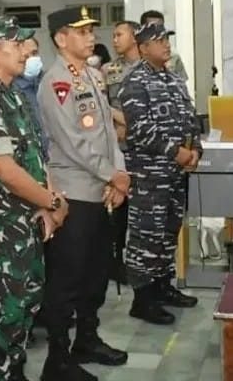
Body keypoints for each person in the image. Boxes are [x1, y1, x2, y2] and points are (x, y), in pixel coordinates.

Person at [0, 16, 69, 381]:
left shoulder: (12, 95)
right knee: (1, 319)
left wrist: (50, 202)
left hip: (26, 224)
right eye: (17, 43)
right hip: (2, 228)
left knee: (23, 310)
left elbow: (37, 157)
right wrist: (53, 203)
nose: (27, 51)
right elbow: (6, 171)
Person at [37, 6, 130, 381]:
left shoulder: (93, 75)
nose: (91, 36)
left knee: (95, 273)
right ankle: (57, 360)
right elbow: (72, 142)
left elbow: (107, 132)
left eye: (91, 30)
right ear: (61, 38)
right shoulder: (55, 82)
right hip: (74, 194)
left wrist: (118, 172)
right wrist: (113, 174)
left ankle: (87, 340)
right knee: (67, 278)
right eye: (82, 31)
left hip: (102, 190)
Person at [118, 22, 201, 325]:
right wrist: (175, 151)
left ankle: (164, 287)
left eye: (166, 39)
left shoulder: (174, 79)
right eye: (158, 40)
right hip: (150, 176)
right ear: (142, 48)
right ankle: (143, 299)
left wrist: (195, 150)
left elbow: (191, 118)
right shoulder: (134, 82)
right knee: (146, 237)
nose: (165, 44)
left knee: (169, 232)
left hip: (177, 175)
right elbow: (139, 130)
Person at [101, 21, 141, 284]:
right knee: (119, 212)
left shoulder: (151, 69)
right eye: (113, 35)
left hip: (145, 150)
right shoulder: (107, 70)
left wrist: (131, 123)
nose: (114, 39)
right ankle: (116, 262)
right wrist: (120, 120)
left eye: (119, 34)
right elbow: (100, 105)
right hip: (118, 150)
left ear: (135, 37)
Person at [139, 10, 188, 81]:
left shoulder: (173, 56)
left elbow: (182, 84)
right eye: (152, 26)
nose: (157, 29)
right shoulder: (135, 56)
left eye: (160, 25)